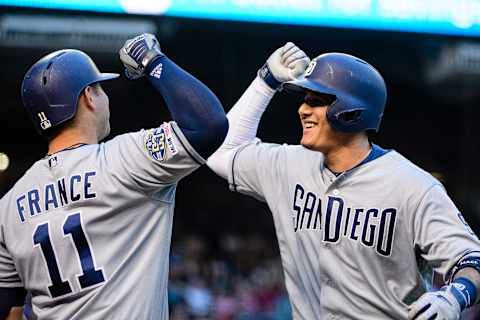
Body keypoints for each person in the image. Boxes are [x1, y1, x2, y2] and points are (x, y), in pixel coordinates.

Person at [207, 42, 480, 319]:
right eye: (304, 99)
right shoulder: (289, 164)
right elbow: (220, 153)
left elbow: (473, 260)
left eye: (316, 100)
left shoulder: (413, 187)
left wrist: (454, 297)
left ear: (351, 111)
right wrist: (266, 81)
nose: (303, 110)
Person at [0, 33, 228, 320]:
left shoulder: (7, 207)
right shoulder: (122, 160)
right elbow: (209, 125)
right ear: (88, 97)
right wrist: (152, 60)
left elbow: (9, 311)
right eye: (100, 89)